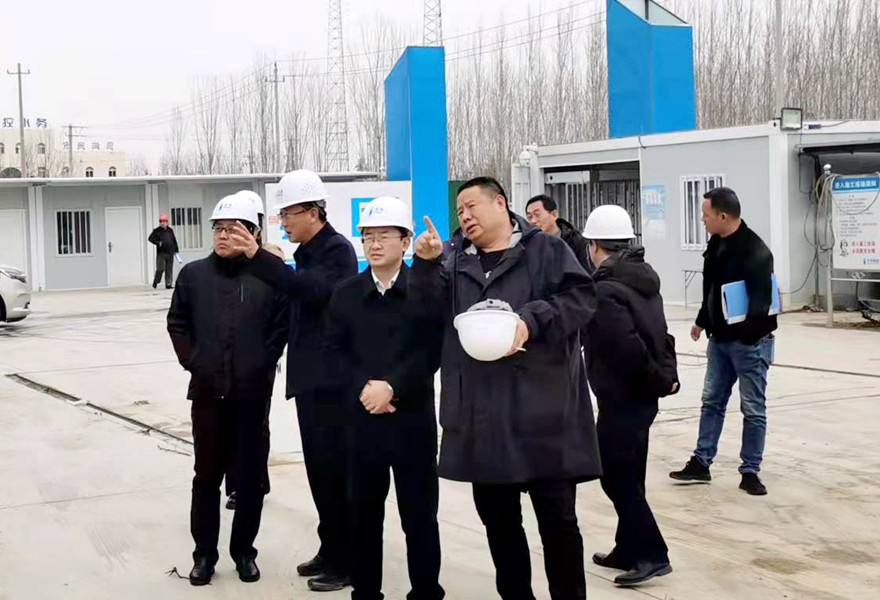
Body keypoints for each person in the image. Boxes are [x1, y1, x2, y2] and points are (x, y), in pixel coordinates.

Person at [409, 177, 601, 600]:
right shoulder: (454, 261)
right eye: (459, 211)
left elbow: (581, 299)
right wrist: (424, 265)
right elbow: (425, 313)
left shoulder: (545, 250)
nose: (465, 216)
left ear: (501, 204)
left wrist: (530, 321)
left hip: (543, 413)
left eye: (472, 206)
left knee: (558, 523)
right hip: (483, 415)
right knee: (499, 522)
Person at [226, 169, 358, 592]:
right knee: (319, 472)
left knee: (335, 472)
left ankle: (347, 560)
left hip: (332, 381)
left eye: (288, 214)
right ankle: (331, 547)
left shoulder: (337, 251)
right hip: (310, 378)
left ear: (313, 212)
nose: (282, 222)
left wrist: (259, 257)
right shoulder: (307, 252)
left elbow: (310, 291)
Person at [326, 196, 445, 600]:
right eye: (368, 237)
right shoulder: (346, 294)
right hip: (362, 421)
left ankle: (426, 592)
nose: (374, 245)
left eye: (384, 236)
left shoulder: (422, 290)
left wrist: (392, 387)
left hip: (411, 421)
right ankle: (365, 592)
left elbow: (431, 350)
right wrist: (365, 388)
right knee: (363, 515)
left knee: (420, 516)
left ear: (406, 241)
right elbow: (333, 350)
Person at [166, 194, 289, 586]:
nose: (222, 236)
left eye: (232, 229)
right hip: (208, 394)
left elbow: (281, 328)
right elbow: (177, 323)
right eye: (218, 229)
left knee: (250, 479)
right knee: (206, 476)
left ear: (252, 233)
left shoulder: (268, 277)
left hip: (252, 395)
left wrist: (262, 363)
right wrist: (195, 361)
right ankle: (204, 555)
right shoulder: (194, 276)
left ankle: (244, 552)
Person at [582, 205, 676, 587]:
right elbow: (661, 336)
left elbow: (627, 347)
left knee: (614, 475)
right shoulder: (643, 279)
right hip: (641, 397)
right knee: (630, 473)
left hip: (623, 396)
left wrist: (653, 378)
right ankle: (627, 547)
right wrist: (663, 379)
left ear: (594, 245)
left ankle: (652, 553)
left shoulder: (606, 290)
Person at [670, 186, 776, 496]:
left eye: (705, 214)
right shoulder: (716, 244)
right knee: (712, 402)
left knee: (752, 408)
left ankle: (750, 471)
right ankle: (701, 463)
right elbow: (712, 287)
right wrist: (703, 320)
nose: (702, 220)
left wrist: (746, 337)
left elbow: (761, 302)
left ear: (723, 216)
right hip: (719, 341)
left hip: (749, 343)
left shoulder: (755, 251)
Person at [224, 190, 283, 511]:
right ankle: (236, 484)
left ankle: (254, 482)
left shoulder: (268, 264)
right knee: (230, 424)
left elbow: (281, 317)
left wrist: (267, 355)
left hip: (259, 362)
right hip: (225, 363)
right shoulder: (221, 266)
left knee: (255, 425)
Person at [525, 194, 590, 271]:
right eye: (529, 217)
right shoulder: (526, 244)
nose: (533, 221)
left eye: (537, 215)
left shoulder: (576, 242)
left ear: (554, 215)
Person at [149, 213, 180, 289]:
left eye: (164, 221)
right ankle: (156, 281)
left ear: (167, 222)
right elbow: (150, 238)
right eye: (161, 221)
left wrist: (176, 249)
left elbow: (173, 240)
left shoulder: (170, 230)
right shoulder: (156, 231)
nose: (162, 223)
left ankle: (168, 284)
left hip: (170, 252)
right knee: (160, 268)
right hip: (161, 253)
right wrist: (158, 243)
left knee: (169, 269)